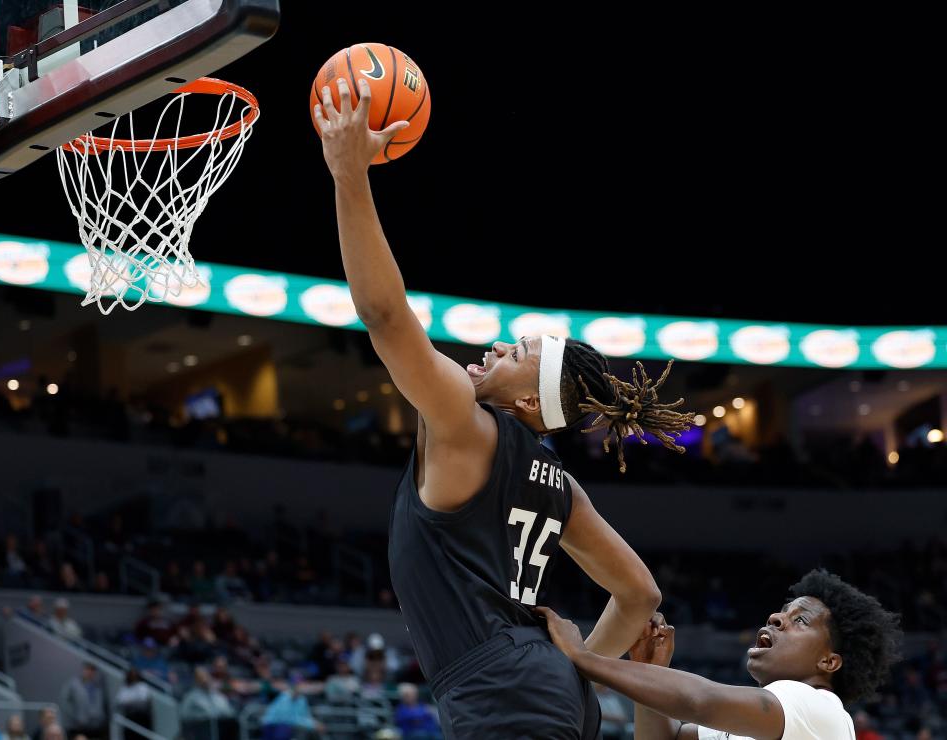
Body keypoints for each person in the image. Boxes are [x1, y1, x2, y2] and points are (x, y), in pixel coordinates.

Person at [315, 75, 692, 738]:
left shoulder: (465, 423)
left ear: (525, 398)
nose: (493, 347)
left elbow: (382, 313)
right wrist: (578, 668)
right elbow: (639, 594)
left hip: (505, 693)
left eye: (515, 352)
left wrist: (349, 176)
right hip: (540, 690)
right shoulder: (561, 487)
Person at [537, 570, 903, 740]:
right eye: (782, 611)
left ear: (829, 662)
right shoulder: (767, 719)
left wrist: (586, 658)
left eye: (800, 620)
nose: (776, 617)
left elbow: (699, 701)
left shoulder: (820, 709)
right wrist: (649, 668)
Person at [60, 662, 107, 738]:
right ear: (83, 670)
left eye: (92, 670)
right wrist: (75, 716)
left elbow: (101, 706)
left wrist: (100, 719)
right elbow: (64, 701)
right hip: (76, 726)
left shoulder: (98, 687)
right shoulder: (73, 684)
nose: (90, 672)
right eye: (88, 669)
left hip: (94, 727)